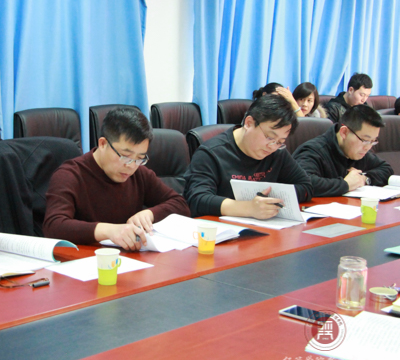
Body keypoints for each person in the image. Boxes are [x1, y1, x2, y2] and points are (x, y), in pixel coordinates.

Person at [43, 107, 190, 250]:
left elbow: (180, 205)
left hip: (130, 259)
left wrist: (150, 214)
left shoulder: (139, 173)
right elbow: (54, 226)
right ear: (103, 144)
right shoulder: (70, 175)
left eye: (140, 158)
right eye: (125, 156)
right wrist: (109, 231)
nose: (131, 166)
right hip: (87, 260)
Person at [184, 94, 313, 219]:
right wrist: (249, 208)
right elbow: (197, 199)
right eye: (269, 137)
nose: (272, 147)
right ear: (249, 123)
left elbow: (306, 186)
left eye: (280, 142)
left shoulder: (277, 152)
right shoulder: (211, 152)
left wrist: (269, 200)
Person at [292, 105, 393, 197]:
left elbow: (386, 169)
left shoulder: (358, 150)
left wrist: (364, 179)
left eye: (373, 141)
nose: (368, 147)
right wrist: (346, 184)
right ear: (344, 132)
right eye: (365, 140)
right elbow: (303, 182)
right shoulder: (314, 150)